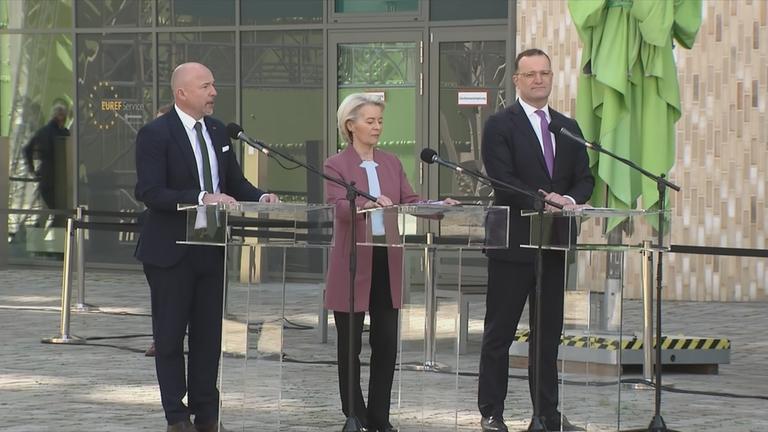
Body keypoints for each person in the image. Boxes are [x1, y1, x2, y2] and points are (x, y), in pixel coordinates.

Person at [134, 62, 278, 432]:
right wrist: (201, 197)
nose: (214, 92)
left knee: (208, 336)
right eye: (206, 86)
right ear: (182, 92)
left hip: (210, 245)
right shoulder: (155, 133)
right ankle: (176, 417)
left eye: (214, 85)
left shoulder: (218, 131)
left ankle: (207, 413)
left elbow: (233, 183)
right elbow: (150, 192)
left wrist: (260, 197)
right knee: (169, 337)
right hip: (170, 250)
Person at [324, 93, 456, 432]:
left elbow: (409, 201)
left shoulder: (392, 162)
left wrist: (437, 205)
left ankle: (380, 417)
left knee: (386, 343)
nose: (377, 127)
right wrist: (367, 206)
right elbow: (339, 208)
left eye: (380, 121)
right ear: (350, 125)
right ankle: (354, 413)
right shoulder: (336, 165)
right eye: (370, 121)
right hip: (354, 259)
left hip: (387, 258)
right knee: (350, 344)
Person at [477, 49, 594, 432]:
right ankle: (492, 413)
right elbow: (502, 178)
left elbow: (584, 178)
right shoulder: (500, 125)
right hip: (513, 244)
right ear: (516, 80)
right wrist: (543, 198)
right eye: (530, 74)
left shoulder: (567, 125)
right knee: (500, 333)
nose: (538, 80)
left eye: (545, 73)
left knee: (548, 336)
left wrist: (571, 200)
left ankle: (545, 414)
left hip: (554, 243)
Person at [144, 103, 172, 358]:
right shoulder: (150, 144)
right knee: (162, 298)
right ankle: (161, 339)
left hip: (200, 240)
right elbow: (149, 191)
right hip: (160, 243)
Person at [23, 102, 70, 228]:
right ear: (60, 117)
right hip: (57, 181)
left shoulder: (42, 132)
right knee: (60, 214)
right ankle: (40, 241)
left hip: (45, 179)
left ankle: (36, 242)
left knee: (47, 213)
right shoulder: (63, 134)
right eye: (63, 116)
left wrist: (33, 170)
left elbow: (27, 149)